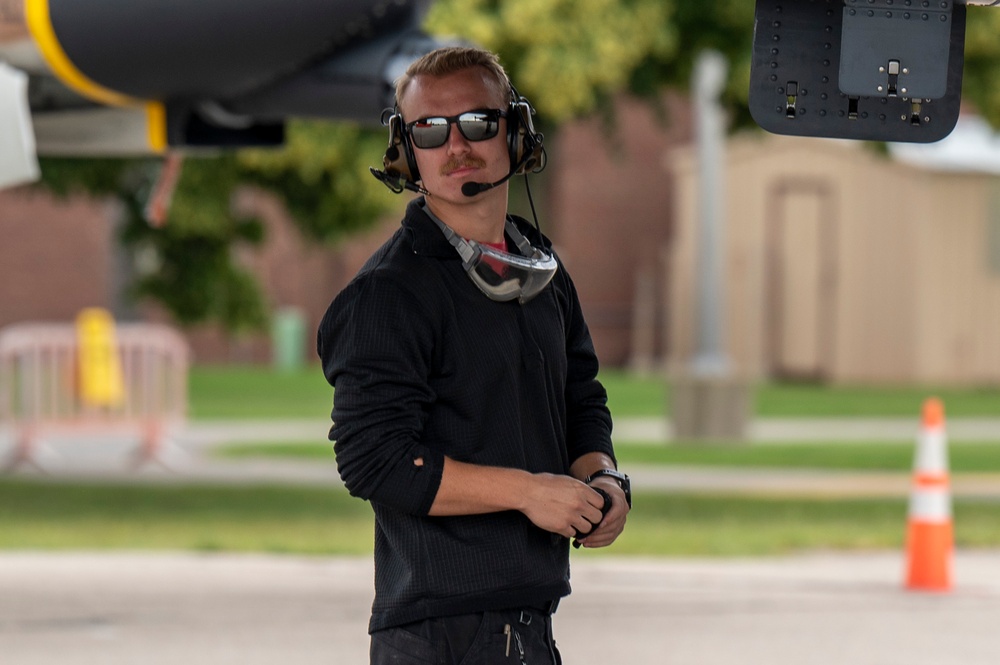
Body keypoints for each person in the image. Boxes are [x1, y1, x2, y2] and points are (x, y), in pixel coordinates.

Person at [317, 46, 630, 665]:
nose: (455, 146)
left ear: (517, 133)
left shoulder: (540, 270)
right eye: (430, 131)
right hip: (441, 635)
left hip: (528, 622)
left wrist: (601, 478)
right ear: (406, 152)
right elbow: (374, 460)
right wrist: (529, 492)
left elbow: (581, 397)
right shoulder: (388, 293)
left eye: (478, 124)